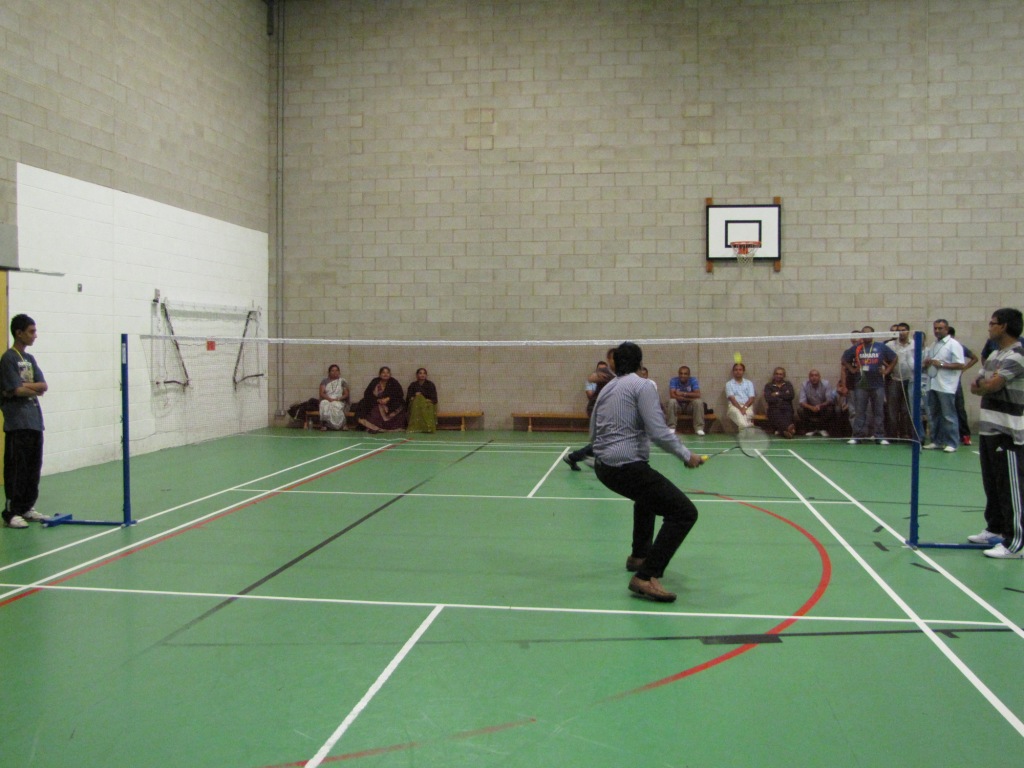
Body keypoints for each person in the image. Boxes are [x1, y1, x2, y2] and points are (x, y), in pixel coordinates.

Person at [591, 341, 702, 603]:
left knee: (647, 497)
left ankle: (639, 555)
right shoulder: (643, 385)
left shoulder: (607, 389)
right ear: (640, 363)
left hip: (603, 466)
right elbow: (658, 431)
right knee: (684, 513)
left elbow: (593, 430)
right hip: (625, 465)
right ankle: (645, 575)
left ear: (616, 364)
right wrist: (687, 455)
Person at [968, 308, 1024, 558]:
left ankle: (1016, 543)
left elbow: (990, 384)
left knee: (1011, 487)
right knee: (992, 484)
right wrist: (986, 385)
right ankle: (996, 529)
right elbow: (975, 386)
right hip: (989, 430)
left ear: (1004, 327)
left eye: (992, 323)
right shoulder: (993, 355)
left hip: (1008, 431)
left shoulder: (1018, 354)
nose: (988, 327)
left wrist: (986, 385)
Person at [1, 314, 51, 528]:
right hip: (17, 423)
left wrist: (27, 386)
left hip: (34, 422)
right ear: (19, 333)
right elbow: (15, 389)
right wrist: (28, 387)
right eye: (31, 331)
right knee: (17, 469)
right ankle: (11, 512)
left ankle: (27, 507)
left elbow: (43, 386)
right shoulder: (8, 359)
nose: (35, 336)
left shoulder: (30, 360)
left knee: (33, 467)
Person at [564, 349, 616, 471]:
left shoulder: (619, 373)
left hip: (609, 410)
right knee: (605, 438)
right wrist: (596, 377)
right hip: (596, 409)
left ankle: (573, 457)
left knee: (608, 438)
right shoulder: (605, 371)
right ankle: (596, 459)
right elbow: (592, 377)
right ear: (609, 359)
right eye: (614, 357)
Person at [848, 326, 897, 445]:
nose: (866, 336)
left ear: (873, 334)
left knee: (878, 411)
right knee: (860, 411)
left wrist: (887, 371)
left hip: (878, 384)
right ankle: (857, 436)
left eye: (868, 333)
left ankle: (879, 436)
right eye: (864, 333)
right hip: (861, 385)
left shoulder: (881, 346)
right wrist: (852, 369)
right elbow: (844, 359)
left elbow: (894, 358)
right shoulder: (857, 348)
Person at [922, 318, 965, 452]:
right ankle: (937, 441)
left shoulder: (954, 344)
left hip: (946, 385)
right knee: (934, 415)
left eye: (940, 328)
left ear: (947, 329)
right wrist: (928, 363)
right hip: (932, 384)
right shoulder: (934, 344)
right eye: (935, 328)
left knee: (948, 415)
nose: (937, 331)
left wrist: (941, 364)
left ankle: (952, 442)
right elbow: (929, 362)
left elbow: (960, 364)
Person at [948, 327, 979, 446]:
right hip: (942, 383)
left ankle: (965, 435)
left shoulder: (959, 346)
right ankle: (948, 435)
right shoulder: (938, 347)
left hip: (956, 384)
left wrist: (963, 369)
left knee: (959, 409)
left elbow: (974, 358)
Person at [885, 322, 916, 440]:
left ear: (908, 331)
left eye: (903, 330)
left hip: (910, 380)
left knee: (906, 409)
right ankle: (892, 434)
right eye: (898, 331)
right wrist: (888, 369)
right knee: (892, 408)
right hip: (895, 379)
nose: (901, 333)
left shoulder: (915, 344)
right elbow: (882, 357)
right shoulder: (890, 345)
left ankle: (905, 434)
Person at [355, 366, 406, 433]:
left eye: (387, 373)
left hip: (391, 404)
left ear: (390, 374)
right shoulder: (375, 381)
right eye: (383, 372)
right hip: (376, 402)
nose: (385, 374)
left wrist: (388, 399)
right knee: (367, 406)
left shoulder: (394, 382)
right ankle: (373, 427)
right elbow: (367, 393)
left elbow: (399, 394)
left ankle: (385, 428)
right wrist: (377, 400)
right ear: (380, 374)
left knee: (391, 408)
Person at [665, 365, 706, 436]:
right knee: (671, 401)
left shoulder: (693, 380)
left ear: (689, 375)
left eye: (685, 374)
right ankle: (671, 428)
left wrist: (682, 394)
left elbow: (697, 394)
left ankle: (699, 428)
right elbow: (672, 395)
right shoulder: (674, 380)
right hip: (678, 406)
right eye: (681, 373)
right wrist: (690, 396)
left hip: (689, 407)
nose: (682, 375)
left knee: (698, 402)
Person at [797, 369, 838, 436]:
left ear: (819, 377)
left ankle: (822, 429)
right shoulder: (804, 385)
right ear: (809, 377)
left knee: (831, 409)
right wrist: (811, 407)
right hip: (810, 408)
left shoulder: (826, 384)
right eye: (812, 376)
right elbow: (802, 401)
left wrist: (820, 406)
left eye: (816, 375)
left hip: (823, 407)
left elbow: (829, 400)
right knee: (800, 410)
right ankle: (811, 429)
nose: (814, 377)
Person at [764, 366, 796, 438]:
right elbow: (768, 398)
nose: (778, 376)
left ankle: (783, 431)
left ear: (784, 375)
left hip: (787, 407)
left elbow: (791, 396)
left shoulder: (788, 384)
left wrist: (777, 394)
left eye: (780, 374)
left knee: (787, 414)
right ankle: (788, 429)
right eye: (777, 374)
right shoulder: (769, 385)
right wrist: (783, 394)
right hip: (774, 408)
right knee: (776, 415)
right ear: (774, 375)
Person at [317, 364, 350, 431]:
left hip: (339, 400)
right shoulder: (324, 381)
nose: (335, 372)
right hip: (327, 398)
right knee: (324, 403)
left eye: (336, 370)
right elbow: (322, 393)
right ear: (329, 372)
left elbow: (346, 394)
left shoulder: (342, 381)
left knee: (336, 405)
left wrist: (338, 399)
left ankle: (341, 425)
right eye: (332, 371)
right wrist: (329, 399)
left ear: (339, 372)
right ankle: (325, 425)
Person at [406, 367, 438, 433]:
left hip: (427, 403)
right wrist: (415, 396)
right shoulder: (413, 385)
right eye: (420, 373)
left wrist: (422, 397)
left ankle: (428, 428)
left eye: (424, 373)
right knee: (417, 400)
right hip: (416, 405)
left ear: (426, 375)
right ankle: (415, 428)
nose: (422, 375)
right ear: (417, 375)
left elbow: (434, 398)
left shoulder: (430, 384)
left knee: (422, 400)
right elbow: (409, 397)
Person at [725, 362, 756, 431]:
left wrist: (744, 407)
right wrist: (740, 408)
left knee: (745, 417)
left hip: (747, 406)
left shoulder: (749, 383)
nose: (738, 371)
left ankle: (746, 432)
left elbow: (751, 398)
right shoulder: (729, 384)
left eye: (740, 370)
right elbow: (732, 399)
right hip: (734, 406)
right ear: (733, 372)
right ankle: (749, 428)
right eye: (736, 370)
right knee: (741, 420)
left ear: (743, 371)